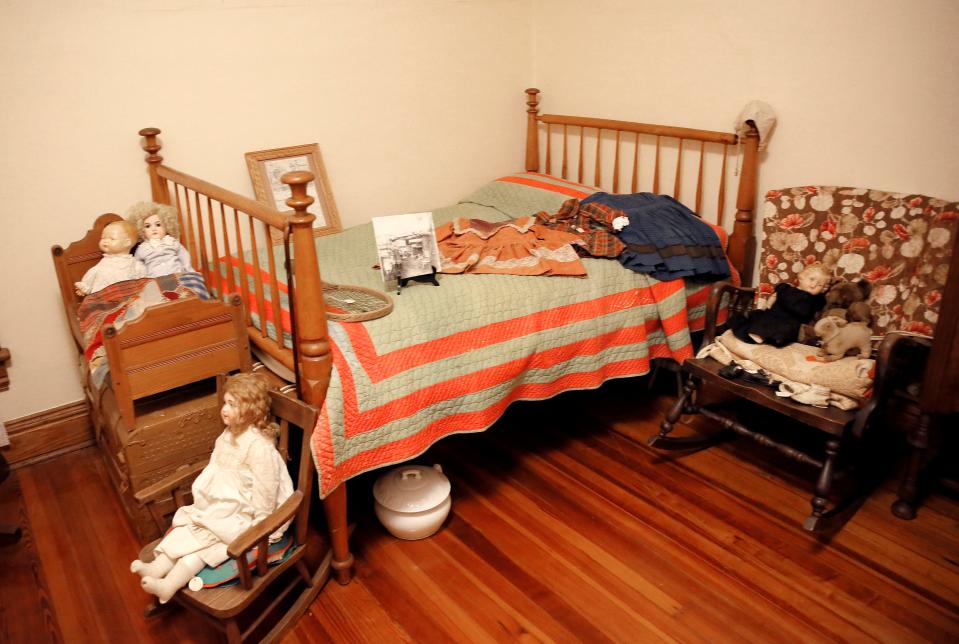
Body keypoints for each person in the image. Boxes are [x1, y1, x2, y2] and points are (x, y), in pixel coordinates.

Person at [130, 373, 294, 603]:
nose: (224, 409)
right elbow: (217, 467)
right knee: (187, 530)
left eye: (233, 405)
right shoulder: (229, 434)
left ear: (251, 410)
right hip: (220, 504)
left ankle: (169, 584)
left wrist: (259, 527)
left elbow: (266, 495)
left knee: (204, 548)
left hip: (244, 513)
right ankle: (156, 568)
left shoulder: (259, 448)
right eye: (225, 402)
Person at [729, 263, 831, 347]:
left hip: (790, 322)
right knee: (757, 316)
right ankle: (755, 333)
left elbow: (812, 308)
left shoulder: (814, 299)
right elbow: (772, 300)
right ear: (801, 277)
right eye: (812, 279)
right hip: (772, 315)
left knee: (787, 329)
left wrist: (825, 289)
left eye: (820, 285)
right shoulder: (787, 289)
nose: (814, 285)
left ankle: (766, 337)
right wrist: (771, 300)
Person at [74, 220, 147, 296]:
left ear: (127, 243)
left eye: (112, 239)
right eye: (103, 238)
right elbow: (93, 272)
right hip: (105, 298)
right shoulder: (105, 262)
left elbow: (142, 277)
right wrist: (85, 287)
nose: (105, 241)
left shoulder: (133, 263)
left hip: (128, 298)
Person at [127, 202, 194, 277]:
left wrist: (189, 271)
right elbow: (138, 264)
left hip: (177, 275)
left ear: (167, 226)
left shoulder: (172, 242)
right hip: (156, 279)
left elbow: (184, 257)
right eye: (148, 226)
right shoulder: (142, 249)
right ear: (142, 230)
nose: (153, 229)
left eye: (158, 225)